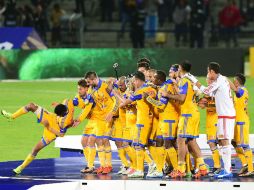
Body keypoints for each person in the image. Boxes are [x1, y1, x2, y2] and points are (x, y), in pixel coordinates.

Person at [186, 62, 236, 178]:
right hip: (225, 114)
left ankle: (227, 170)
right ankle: (226, 169)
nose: (208, 74)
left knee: (224, 141)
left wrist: (193, 79)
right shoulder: (223, 79)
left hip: (225, 115)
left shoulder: (219, 81)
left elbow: (206, 91)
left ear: (212, 72)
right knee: (223, 140)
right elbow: (212, 93)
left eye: (208, 72)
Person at [161, 60, 208, 178]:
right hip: (193, 112)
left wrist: (167, 95)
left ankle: (181, 169)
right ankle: (202, 167)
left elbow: (181, 98)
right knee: (191, 141)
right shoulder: (189, 79)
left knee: (180, 140)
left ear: (180, 69)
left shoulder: (184, 80)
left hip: (187, 114)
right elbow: (194, 94)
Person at [1, 103, 68, 174]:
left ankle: (20, 168)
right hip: (50, 116)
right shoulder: (64, 111)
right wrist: (58, 105)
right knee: (31, 106)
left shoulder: (65, 122)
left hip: (52, 132)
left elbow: (61, 134)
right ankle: (12, 116)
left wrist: (48, 126)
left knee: (35, 149)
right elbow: (64, 107)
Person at [120, 71, 156, 178]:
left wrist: (116, 93)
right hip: (142, 121)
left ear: (138, 80)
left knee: (139, 145)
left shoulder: (145, 90)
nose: (134, 83)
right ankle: (148, 165)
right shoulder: (144, 90)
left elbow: (124, 103)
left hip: (143, 121)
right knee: (137, 145)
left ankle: (143, 169)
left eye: (134, 81)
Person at [228, 73, 253, 177]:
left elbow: (237, 91)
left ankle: (251, 169)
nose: (233, 82)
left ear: (237, 82)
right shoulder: (240, 91)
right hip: (238, 121)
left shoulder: (242, 90)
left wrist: (225, 80)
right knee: (234, 142)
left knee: (245, 145)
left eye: (234, 80)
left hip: (242, 122)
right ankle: (245, 163)